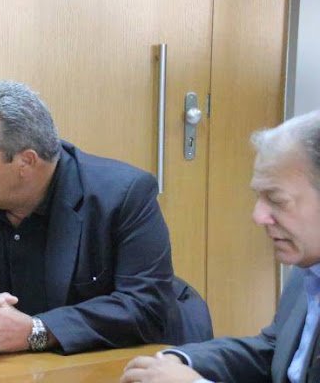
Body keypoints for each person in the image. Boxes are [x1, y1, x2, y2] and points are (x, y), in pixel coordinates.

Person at [0, 80, 202, 358]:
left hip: (103, 365)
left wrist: (36, 331)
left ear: (26, 162)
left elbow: (145, 305)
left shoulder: (122, 195)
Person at [121, 109, 320, 383]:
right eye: (259, 197)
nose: (258, 215)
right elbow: (275, 351)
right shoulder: (308, 270)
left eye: (276, 199)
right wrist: (182, 359)